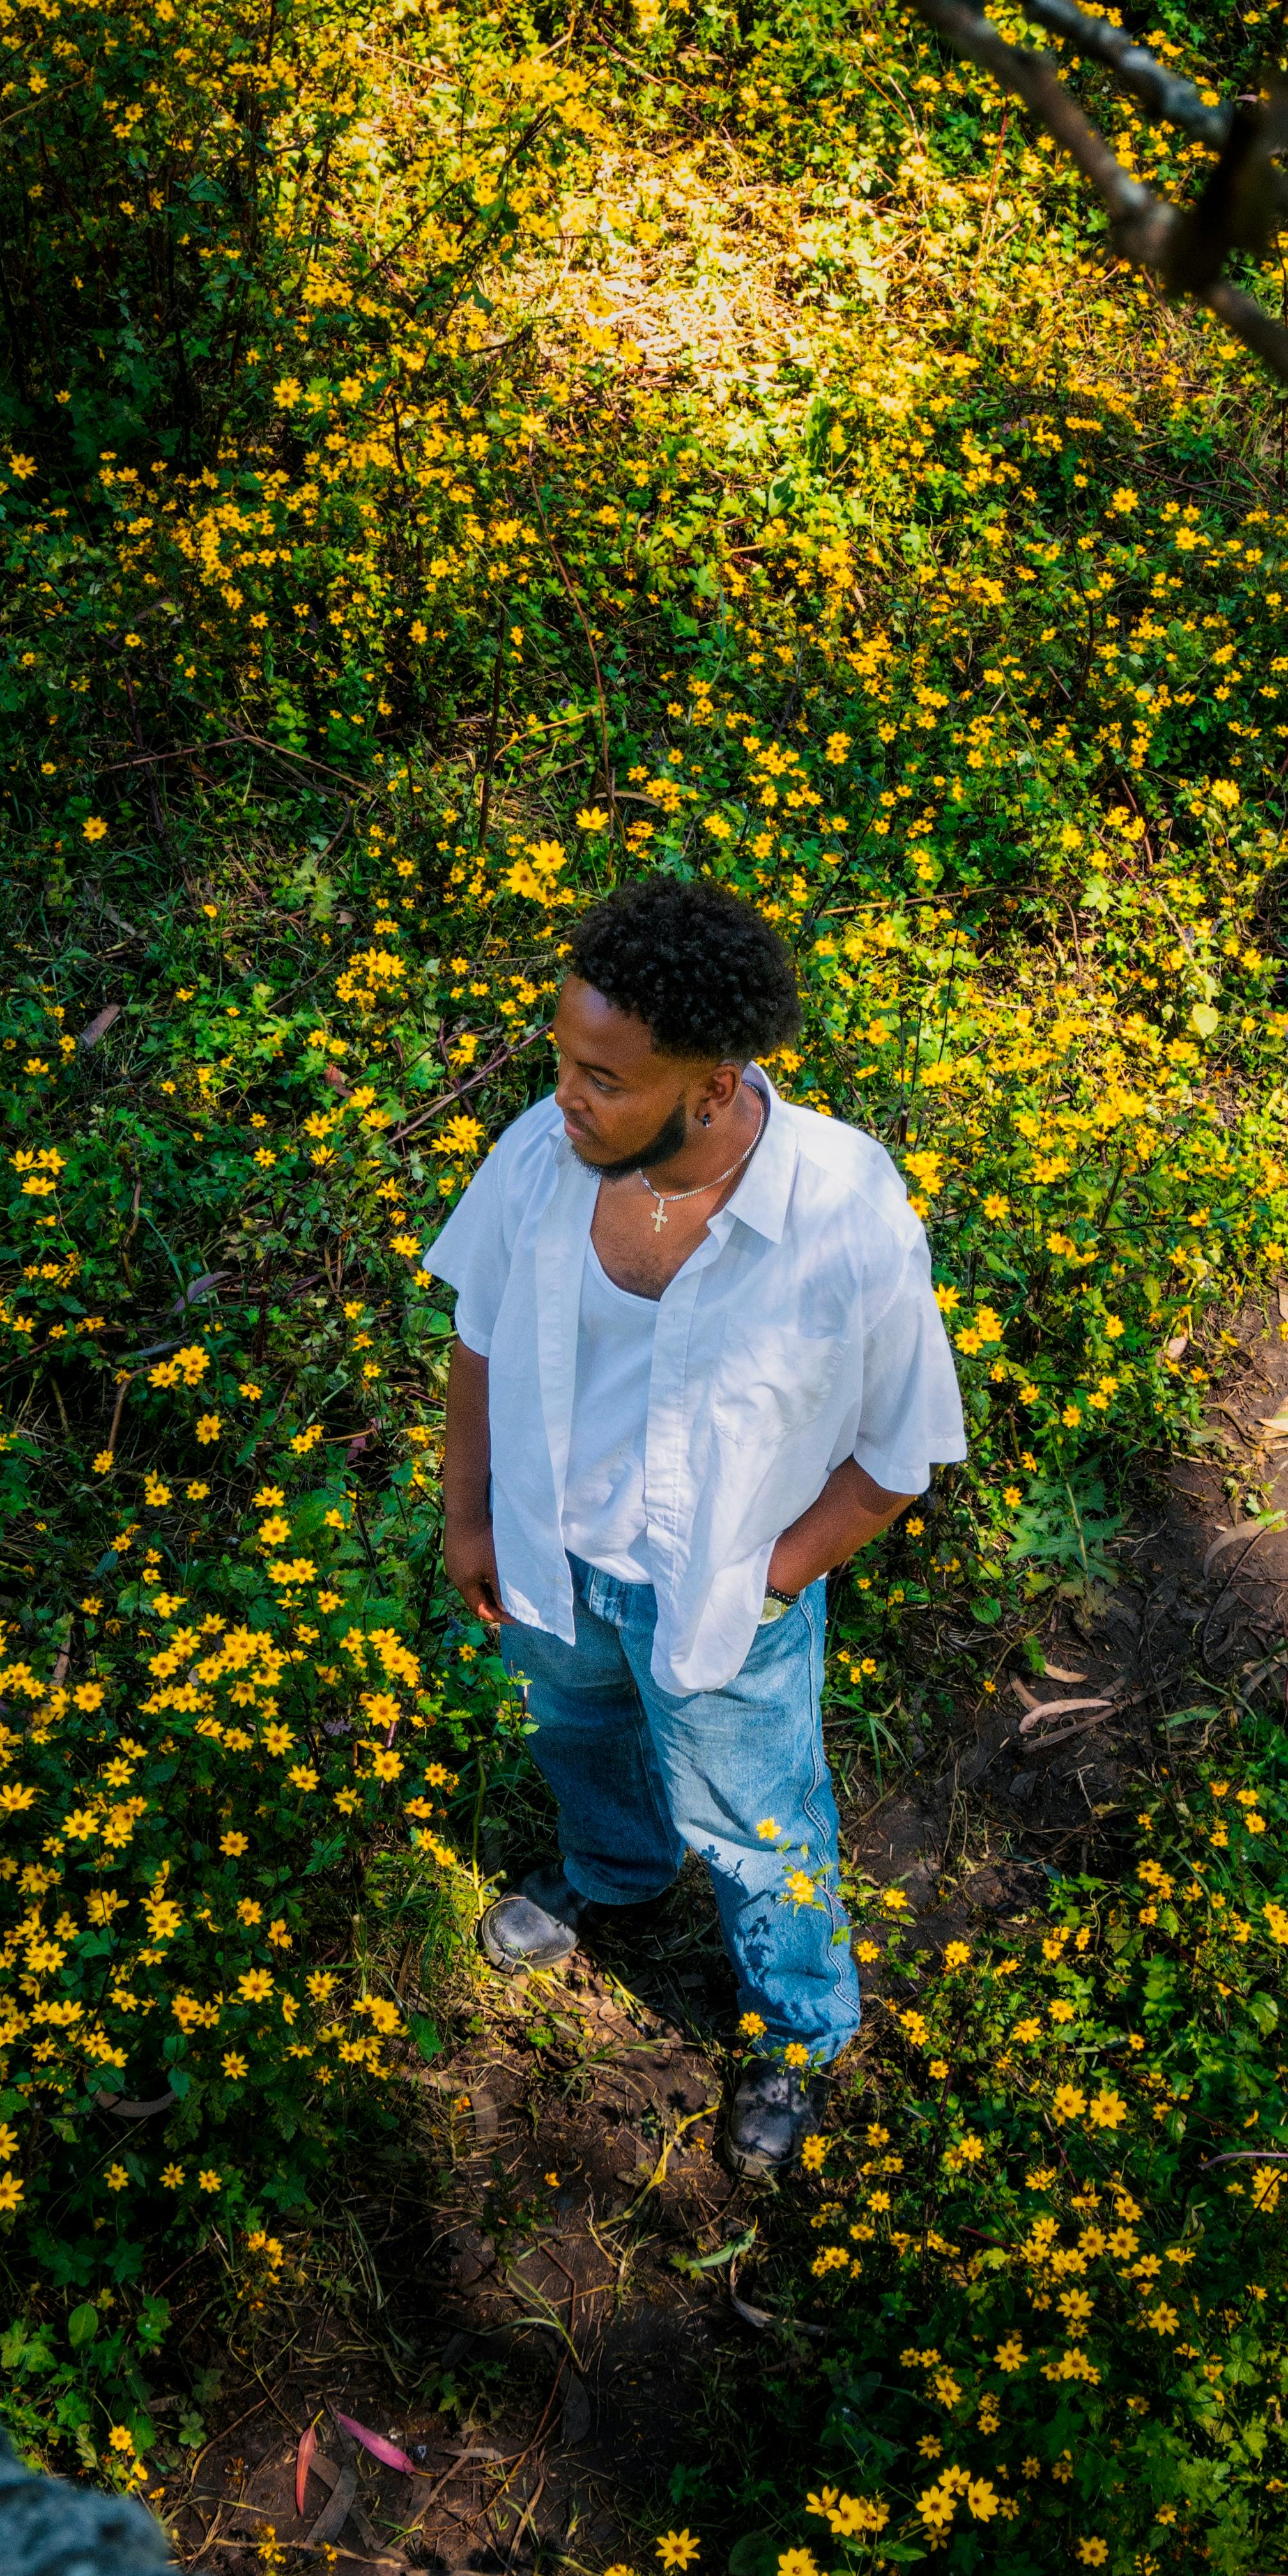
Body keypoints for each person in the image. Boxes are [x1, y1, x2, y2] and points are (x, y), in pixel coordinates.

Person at [424, 874, 965, 2180]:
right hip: (558, 1562)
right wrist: (470, 1514)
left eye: (602, 1075)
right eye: (564, 1056)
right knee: (578, 1733)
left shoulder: (839, 1214)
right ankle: (611, 1875)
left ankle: (799, 2028)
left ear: (712, 1087)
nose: (565, 1093)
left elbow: (898, 1455)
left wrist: (770, 1581)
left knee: (757, 1819)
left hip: (724, 1594)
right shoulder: (543, 1160)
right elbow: (481, 1336)